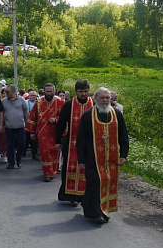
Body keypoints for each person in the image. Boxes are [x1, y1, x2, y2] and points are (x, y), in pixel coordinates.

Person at [76, 87, 129, 224]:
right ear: (96, 99)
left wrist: (123, 154)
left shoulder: (117, 114)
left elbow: (123, 136)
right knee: (95, 183)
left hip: (111, 158)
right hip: (92, 157)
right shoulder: (88, 116)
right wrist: (81, 159)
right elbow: (81, 139)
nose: (105, 101)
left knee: (106, 182)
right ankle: (96, 213)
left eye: (108, 98)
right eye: (102, 98)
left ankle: (101, 210)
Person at [55, 80, 93, 205]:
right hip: (71, 141)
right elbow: (61, 124)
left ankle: (84, 195)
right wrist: (58, 141)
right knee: (68, 168)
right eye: (81, 91)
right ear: (76, 91)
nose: (83, 94)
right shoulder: (69, 105)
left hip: (89, 144)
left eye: (86, 91)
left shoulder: (93, 104)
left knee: (86, 169)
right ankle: (70, 195)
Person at [25, 83, 64, 182]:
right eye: (47, 91)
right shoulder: (39, 102)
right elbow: (33, 117)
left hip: (56, 132)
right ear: (44, 92)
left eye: (51, 91)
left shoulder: (60, 102)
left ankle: (53, 170)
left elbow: (64, 117)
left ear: (54, 92)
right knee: (45, 153)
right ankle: (47, 173)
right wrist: (32, 132)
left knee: (55, 152)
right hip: (43, 133)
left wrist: (55, 119)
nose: (49, 93)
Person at [2, 86, 28, 169]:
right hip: (9, 126)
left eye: (7, 92)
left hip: (20, 126)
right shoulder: (4, 101)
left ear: (13, 92)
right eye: (5, 92)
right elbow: (1, 113)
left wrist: (29, 123)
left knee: (21, 143)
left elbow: (26, 111)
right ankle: (11, 163)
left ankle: (19, 159)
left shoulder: (21, 100)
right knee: (10, 145)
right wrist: (1, 124)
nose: (6, 94)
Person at [24, 89, 39, 160]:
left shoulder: (38, 103)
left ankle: (34, 154)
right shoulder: (25, 103)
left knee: (34, 140)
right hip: (26, 123)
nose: (33, 97)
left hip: (35, 124)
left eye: (34, 95)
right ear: (28, 96)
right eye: (31, 95)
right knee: (25, 139)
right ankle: (23, 152)